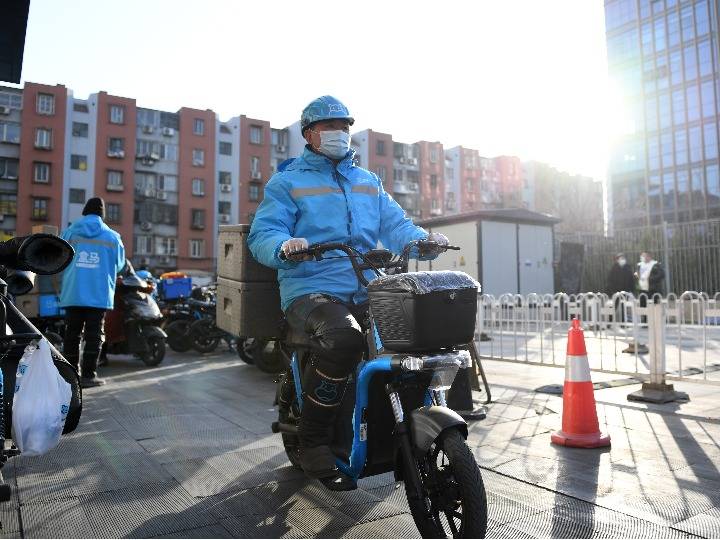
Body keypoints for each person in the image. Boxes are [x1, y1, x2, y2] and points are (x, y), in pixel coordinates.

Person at [248, 96, 448, 486]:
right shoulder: (288, 181)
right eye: (329, 127)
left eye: (344, 126)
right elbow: (264, 233)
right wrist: (284, 246)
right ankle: (314, 440)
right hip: (310, 287)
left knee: (417, 334)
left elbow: (398, 224)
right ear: (309, 134)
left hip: (366, 285)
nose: (339, 133)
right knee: (343, 339)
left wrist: (422, 240)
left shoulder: (367, 181)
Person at [59, 197, 125, 387]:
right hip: (98, 294)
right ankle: (88, 376)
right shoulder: (113, 237)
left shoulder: (69, 232)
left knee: (72, 334)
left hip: (73, 292)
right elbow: (120, 266)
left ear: (85, 212)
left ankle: (70, 377)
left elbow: (58, 258)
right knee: (94, 335)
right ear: (102, 215)